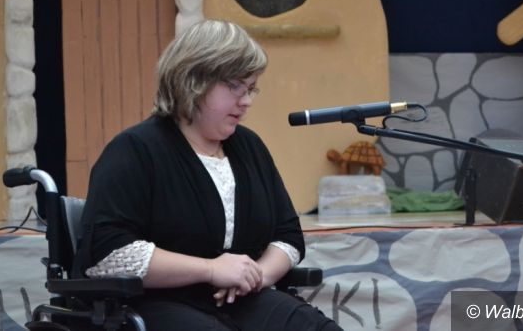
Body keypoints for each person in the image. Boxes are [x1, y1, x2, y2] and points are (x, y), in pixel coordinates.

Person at [73, 19, 342, 330]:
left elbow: (288, 235)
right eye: (235, 86)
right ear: (193, 81)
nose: (246, 101)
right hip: (154, 302)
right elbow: (109, 253)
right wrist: (211, 269)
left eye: (251, 89)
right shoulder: (135, 149)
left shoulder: (250, 147)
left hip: (242, 298)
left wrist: (255, 276)